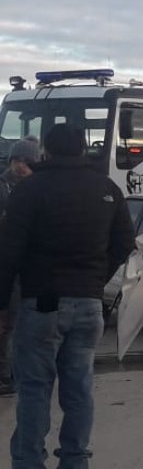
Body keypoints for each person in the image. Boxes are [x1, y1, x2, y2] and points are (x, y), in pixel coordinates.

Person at [0, 124, 134, 469]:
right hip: (88, 305)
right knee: (79, 393)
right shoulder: (107, 188)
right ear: (82, 150)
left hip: (41, 303)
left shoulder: (30, 190)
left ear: (46, 154)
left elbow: (7, 254)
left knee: (34, 392)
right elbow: (125, 244)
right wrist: (95, 279)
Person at [0, 138, 41, 396]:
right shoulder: (3, 188)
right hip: (7, 265)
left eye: (27, 162)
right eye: (18, 160)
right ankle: (5, 375)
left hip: (31, 266)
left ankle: (14, 371)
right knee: (8, 321)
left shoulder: (38, 189)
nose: (21, 167)